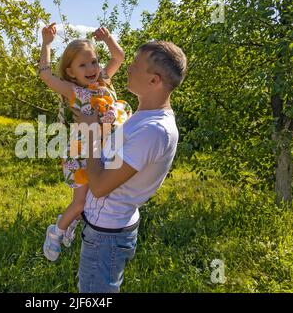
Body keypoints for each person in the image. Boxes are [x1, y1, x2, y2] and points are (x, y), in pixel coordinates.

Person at [76, 41, 187, 292]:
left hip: (107, 234)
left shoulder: (153, 130)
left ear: (154, 80)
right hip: (108, 228)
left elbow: (101, 186)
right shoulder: (142, 116)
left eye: (136, 64)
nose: (128, 68)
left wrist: (91, 131)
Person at [38, 23, 132, 261]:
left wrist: (108, 37)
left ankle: (68, 224)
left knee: (92, 201)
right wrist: (46, 44)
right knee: (80, 203)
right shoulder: (74, 91)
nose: (91, 68)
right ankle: (56, 232)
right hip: (83, 154)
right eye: (83, 65)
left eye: (94, 62)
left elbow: (119, 56)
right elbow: (46, 75)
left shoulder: (104, 80)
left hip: (105, 152)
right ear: (71, 72)